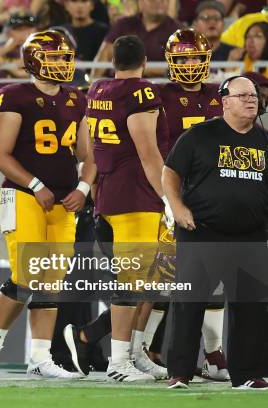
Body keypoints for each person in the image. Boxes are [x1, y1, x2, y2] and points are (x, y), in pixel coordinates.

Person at [0, 29, 94, 381]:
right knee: (27, 276)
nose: (62, 63)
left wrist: (85, 187)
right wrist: (35, 184)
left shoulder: (77, 99)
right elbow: (0, 154)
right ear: (34, 60)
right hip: (24, 195)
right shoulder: (15, 95)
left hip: (63, 201)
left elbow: (89, 155)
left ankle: (40, 357)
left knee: (52, 281)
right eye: (55, 57)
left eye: (64, 57)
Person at [163, 75, 268, 390]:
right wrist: (177, 208)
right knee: (189, 303)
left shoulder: (265, 140)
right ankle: (180, 372)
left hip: (251, 235)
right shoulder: (199, 135)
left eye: (255, 96)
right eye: (243, 95)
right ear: (225, 101)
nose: (252, 100)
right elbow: (170, 172)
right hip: (202, 232)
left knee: (251, 307)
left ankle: (247, 374)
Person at [86, 34, 172, 382]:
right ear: (146, 62)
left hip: (109, 193)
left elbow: (90, 148)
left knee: (148, 282)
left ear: (113, 60)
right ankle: (118, 362)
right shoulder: (141, 92)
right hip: (135, 197)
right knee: (132, 283)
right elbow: (148, 155)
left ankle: (134, 353)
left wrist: (91, 186)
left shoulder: (98, 89)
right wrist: (169, 199)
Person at [156, 28, 229, 382]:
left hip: (218, 197)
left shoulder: (221, 94)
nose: (188, 65)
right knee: (163, 281)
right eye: (181, 58)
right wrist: (167, 199)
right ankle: (141, 351)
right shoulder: (157, 95)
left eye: (194, 58)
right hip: (172, 195)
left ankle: (214, 353)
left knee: (214, 281)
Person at [92, 0, 181, 78]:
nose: (158, 2)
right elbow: (104, 55)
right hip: (119, 87)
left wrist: (132, 70)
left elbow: (179, 66)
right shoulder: (123, 24)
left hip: (157, 88)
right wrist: (94, 83)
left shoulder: (178, 32)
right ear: (140, 2)